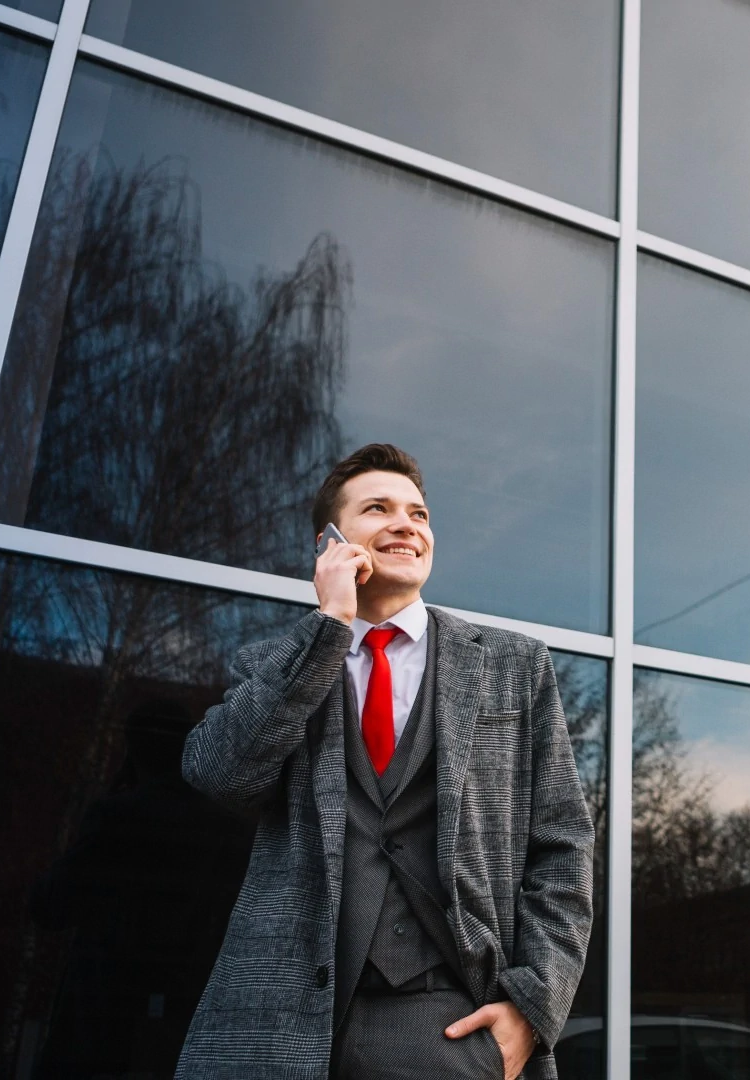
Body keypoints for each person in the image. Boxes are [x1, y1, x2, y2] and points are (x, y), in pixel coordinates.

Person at [176, 443, 594, 1080]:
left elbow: (563, 845)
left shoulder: (514, 666)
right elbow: (220, 775)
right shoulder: (276, 664)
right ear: (330, 543)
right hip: (286, 1024)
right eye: (378, 509)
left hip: (452, 1025)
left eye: (418, 514)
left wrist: (532, 1006)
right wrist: (328, 627)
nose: (407, 525)